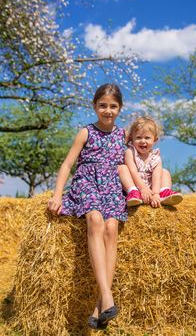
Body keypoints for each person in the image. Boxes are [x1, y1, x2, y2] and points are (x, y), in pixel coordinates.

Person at [48, 83, 128, 330]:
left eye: (113, 106)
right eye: (102, 105)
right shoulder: (85, 132)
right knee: (95, 219)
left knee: (112, 228)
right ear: (94, 106)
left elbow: (137, 161)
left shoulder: (123, 135)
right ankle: (107, 295)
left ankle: (99, 306)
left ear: (120, 108)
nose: (107, 110)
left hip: (113, 186)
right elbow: (66, 165)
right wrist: (57, 195)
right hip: (87, 182)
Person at [119, 116, 183, 208]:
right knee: (122, 168)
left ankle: (163, 192)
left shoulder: (155, 158)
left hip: (151, 190)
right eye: (138, 137)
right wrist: (142, 188)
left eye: (147, 138)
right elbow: (133, 172)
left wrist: (155, 194)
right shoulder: (130, 152)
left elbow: (156, 176)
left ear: (155, 140)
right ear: (132, 139)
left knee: (164, 172)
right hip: (135, 186)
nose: (143, 141)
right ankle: (133, 193)